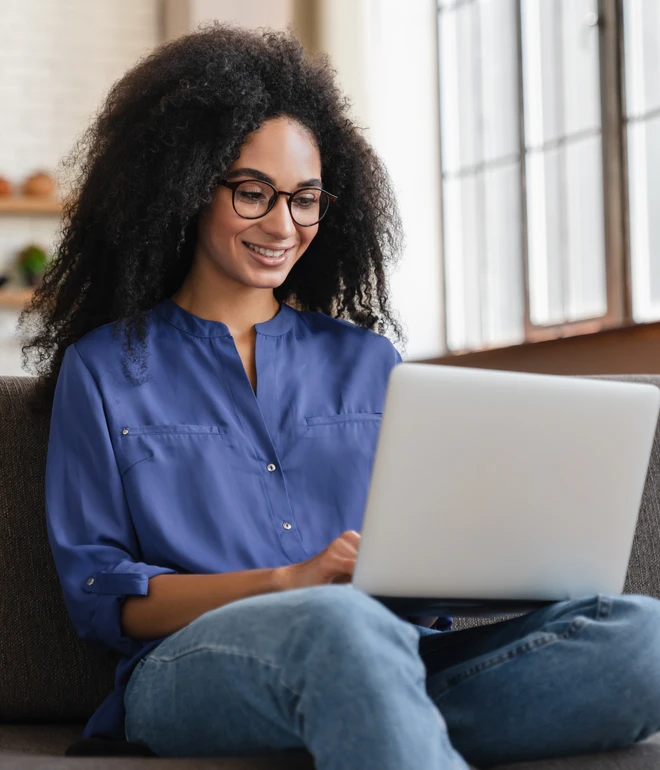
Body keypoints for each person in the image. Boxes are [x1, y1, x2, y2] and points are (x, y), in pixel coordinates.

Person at [19, 23, 660, 770]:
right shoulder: (103, 370)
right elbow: (102, 597)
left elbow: (421, 555)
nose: (284, 226)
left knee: (639, 634)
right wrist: (292, 582)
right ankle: (369, 708)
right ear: (187, 186)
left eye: (306, 199)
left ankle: (368, 719)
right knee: (337, 627)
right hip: (189, 667)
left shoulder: (371, 364)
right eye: (254, 193)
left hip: (393, 648)